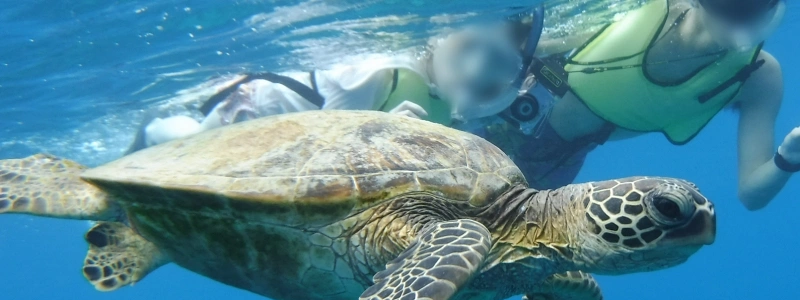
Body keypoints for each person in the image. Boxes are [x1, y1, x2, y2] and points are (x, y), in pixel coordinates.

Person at [484, 0, 799, 210]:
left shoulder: (758, 76)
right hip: (490, 106)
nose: (741, 11)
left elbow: (751, 195)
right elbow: (518, 36)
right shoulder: (640, 6)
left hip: (550, 163)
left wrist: (788, 158)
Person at [128, 13, 541, 153]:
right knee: (188, 141)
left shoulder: (461, 109)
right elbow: (326, 146)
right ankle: (152, 129)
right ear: (440, 40)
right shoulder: (383, 73)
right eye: (467, 49)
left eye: (499, 67)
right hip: (252, 108)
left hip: (290, 141)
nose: (475, 72)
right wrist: (373, 132)